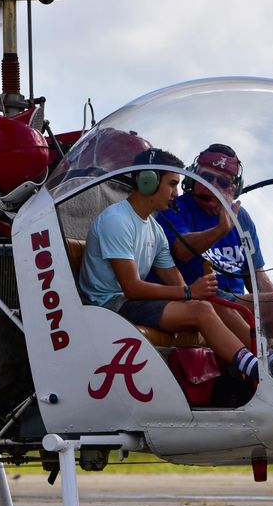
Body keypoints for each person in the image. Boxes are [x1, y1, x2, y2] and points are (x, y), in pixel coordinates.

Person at [79, 148, 262, 380]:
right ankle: (259, 374)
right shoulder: (117, 220)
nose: (176, 193)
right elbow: (132, 288)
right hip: (109, 306)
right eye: (172, 184)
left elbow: (178, 282)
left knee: (209, 302)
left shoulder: (155, 230)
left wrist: (199, 292)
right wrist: (189, 292)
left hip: (131, 302)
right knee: (201, 309)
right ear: (148, 182)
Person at [155, 144, 273, 371]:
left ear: (235, 189)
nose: (212, 186)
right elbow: (182, 249)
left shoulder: (242, 219)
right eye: (207, 177)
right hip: (202, 299)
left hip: (237, 304)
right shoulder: (175, 208)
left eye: (222, 182)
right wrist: (220, 229)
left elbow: (256, 276)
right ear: (192, 178)